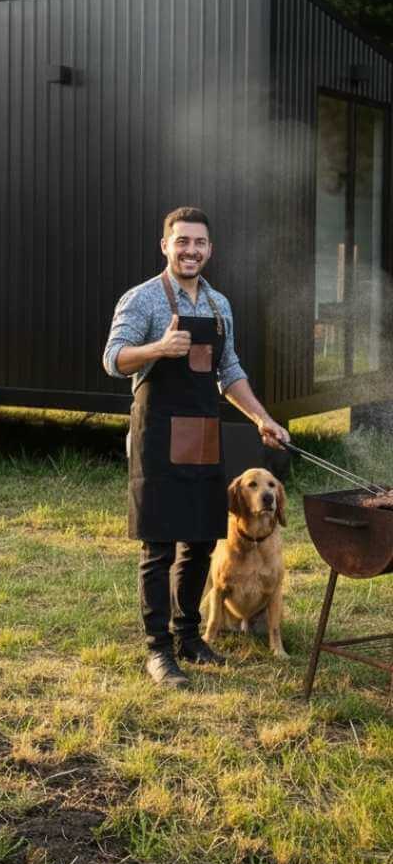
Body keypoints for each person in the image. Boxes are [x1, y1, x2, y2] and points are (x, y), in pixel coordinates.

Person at [102, 206, 290, 689]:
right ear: (165, 245)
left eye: (199, 243)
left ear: (209, 249)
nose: (191, 250)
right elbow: (113, 358)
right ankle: (158, 650)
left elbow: (230, 371)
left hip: (203, 434)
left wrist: (263, 419)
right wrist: (158, 349)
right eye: (182, 241)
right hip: (158, 436)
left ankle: (189, 637)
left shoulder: (218, 304)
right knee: (159, 545)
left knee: (202, 540)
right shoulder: (142, 299)